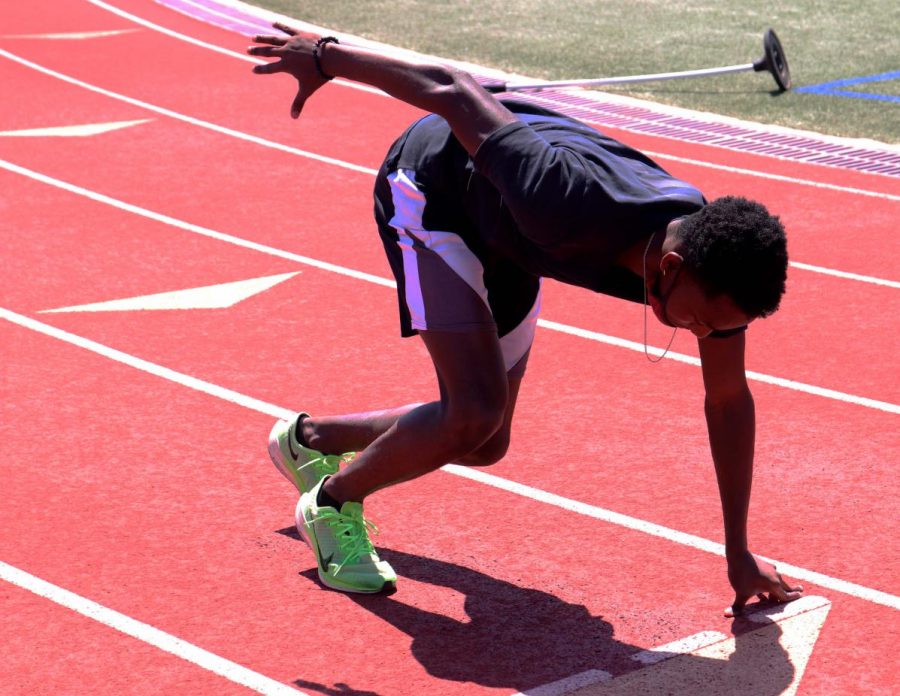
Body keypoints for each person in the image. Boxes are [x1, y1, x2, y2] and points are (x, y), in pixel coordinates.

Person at [250, 23, 803, 615]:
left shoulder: (714, 269)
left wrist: (737, 551)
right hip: (434, 192)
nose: (704, 335)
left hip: (508, 235)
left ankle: (311, 440)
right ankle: (331, 501)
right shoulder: (565, 201)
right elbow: (451, 87)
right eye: (700, 323)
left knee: (486, 441)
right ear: (670, 266)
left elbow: (726, 399)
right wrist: (327, 57)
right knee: (475, 411)